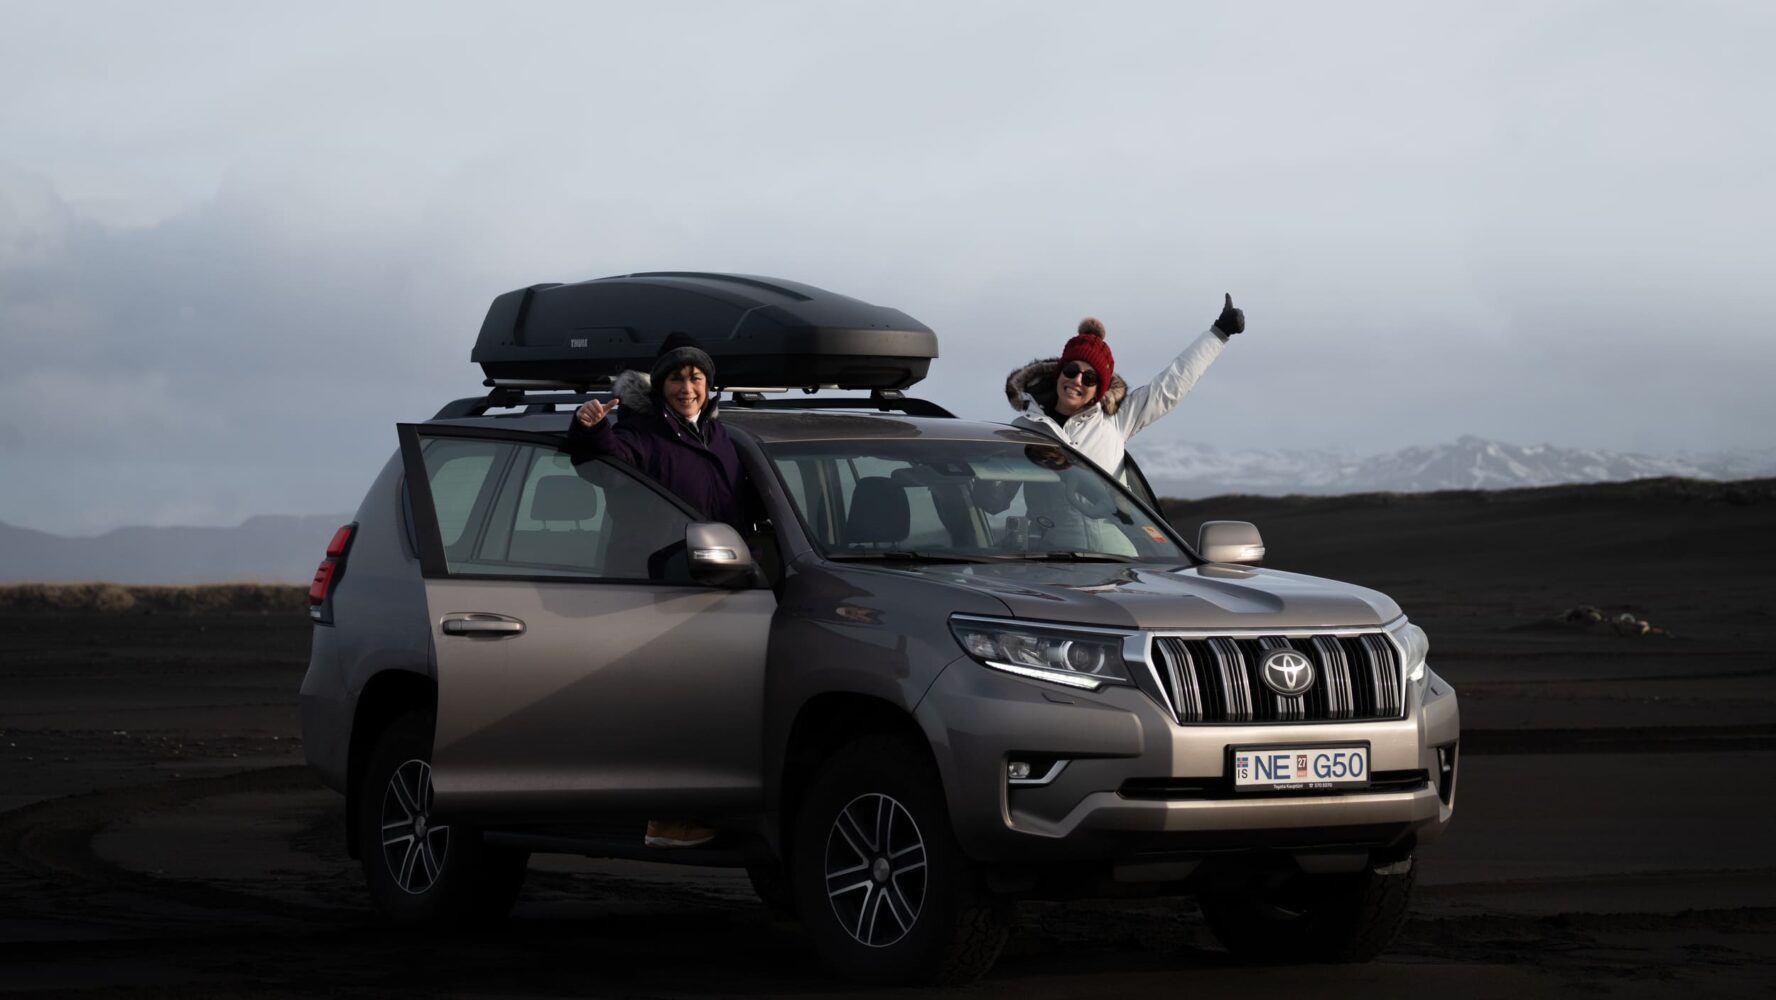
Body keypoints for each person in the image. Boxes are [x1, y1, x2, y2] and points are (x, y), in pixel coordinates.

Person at [566, 331, 754, 849]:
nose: (687, 386)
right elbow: (602, 461)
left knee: (712, 707)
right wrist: (588, 429)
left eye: (696, 377)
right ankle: (666, 818)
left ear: (709, 384)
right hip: (659, 585)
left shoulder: (718, 435)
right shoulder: (640, 433)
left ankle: (706, 807)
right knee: (674, 706)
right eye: (677, 377)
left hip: (721, 586)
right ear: (662, 384)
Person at [1001, 294, 1245, 484]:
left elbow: (1172, 384)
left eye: (1089, 378)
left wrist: (1218, 334)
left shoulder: (1116, 419)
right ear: (1059, 372)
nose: (1077, 380)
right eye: (1072, 369)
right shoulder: (1025, 429)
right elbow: (995, 501)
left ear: (1099, 388)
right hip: (1045, 544)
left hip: (1110, 544)